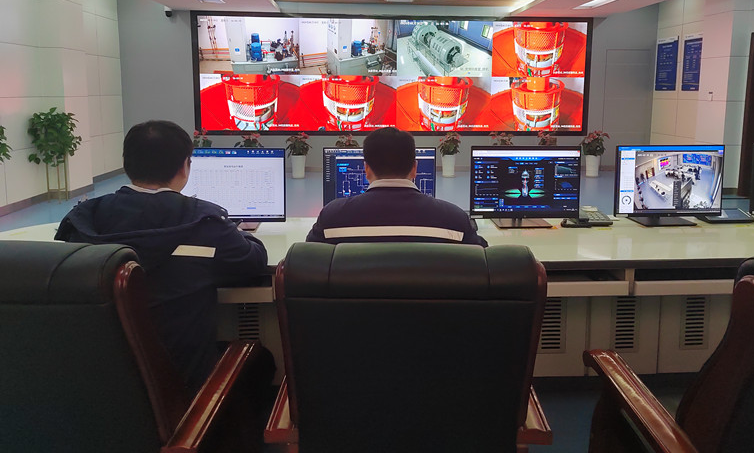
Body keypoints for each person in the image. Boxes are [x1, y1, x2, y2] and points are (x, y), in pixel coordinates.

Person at [55, 120, 273, 394]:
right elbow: (253, 261)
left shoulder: (83, 222)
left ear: (126, 164)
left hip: (99, 388)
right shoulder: (205, 223)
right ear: (184, 166)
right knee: (263, 361)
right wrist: (238, 232)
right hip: (184, 387)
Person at [307, 127, 488, 246]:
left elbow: (308, 261)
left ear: (366, 169)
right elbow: (483, 264)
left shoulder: (332, 218)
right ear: (415, 168)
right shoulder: (454, 220)